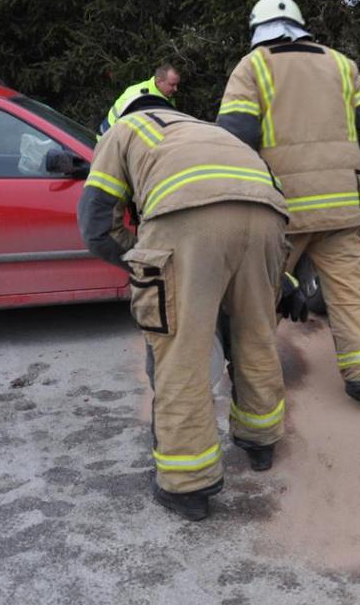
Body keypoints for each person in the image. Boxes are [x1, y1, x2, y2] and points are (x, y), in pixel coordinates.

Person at [78, 92, 293, 521]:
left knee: (182, 350)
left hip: (188, 219)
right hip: (269, 218)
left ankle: (188, 485)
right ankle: (261, 441)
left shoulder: (124, 130)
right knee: (255, 336)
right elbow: (269, 195)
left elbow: (96, 225)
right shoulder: (213, 131)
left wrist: (144, 259)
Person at [218, 0, 360, 413]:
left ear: (258, 31)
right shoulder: (340, 64)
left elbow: (234, 135)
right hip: (343, 209)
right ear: (300, 26)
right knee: (351, 295)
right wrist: (356, 170)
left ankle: (251, 387)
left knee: (261, 298)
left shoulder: (253, 66)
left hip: (283, 212)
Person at [98, 64, 181, 135]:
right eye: (172, 85)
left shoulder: (164, 95)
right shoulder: (142, 99)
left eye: (176, 85)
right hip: (110, 134)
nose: (176, 89)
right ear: (159, 81)